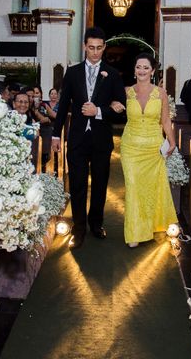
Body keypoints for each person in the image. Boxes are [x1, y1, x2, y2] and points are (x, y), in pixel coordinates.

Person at [52, 27, 126, 250]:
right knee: (77, 185)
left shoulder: (112, 74)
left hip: (102, 139)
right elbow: (64, 105)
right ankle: (79, 228)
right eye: (91, 47)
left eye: (99, 48)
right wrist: (56, 134)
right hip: (77, 138)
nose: (95, 52)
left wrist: (100, 111)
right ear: (84, 46)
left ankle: (96, 224)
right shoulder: (72, 72)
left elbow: (121, 109)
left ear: (104, 47)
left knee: (101, 184)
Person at [111, 53, 178, 248]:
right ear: (134, 70)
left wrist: (171, 142)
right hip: (130, 147)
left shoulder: (161, 93)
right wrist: (113, 103)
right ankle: (134, 232)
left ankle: (149, 225)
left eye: (145, 67)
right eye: (138, 67)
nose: (141, 70)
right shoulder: (126, 91)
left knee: (149, 189)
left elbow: (165, 120)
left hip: (152, 148)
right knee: (133, 188)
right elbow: (108, 100)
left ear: (153, 71)